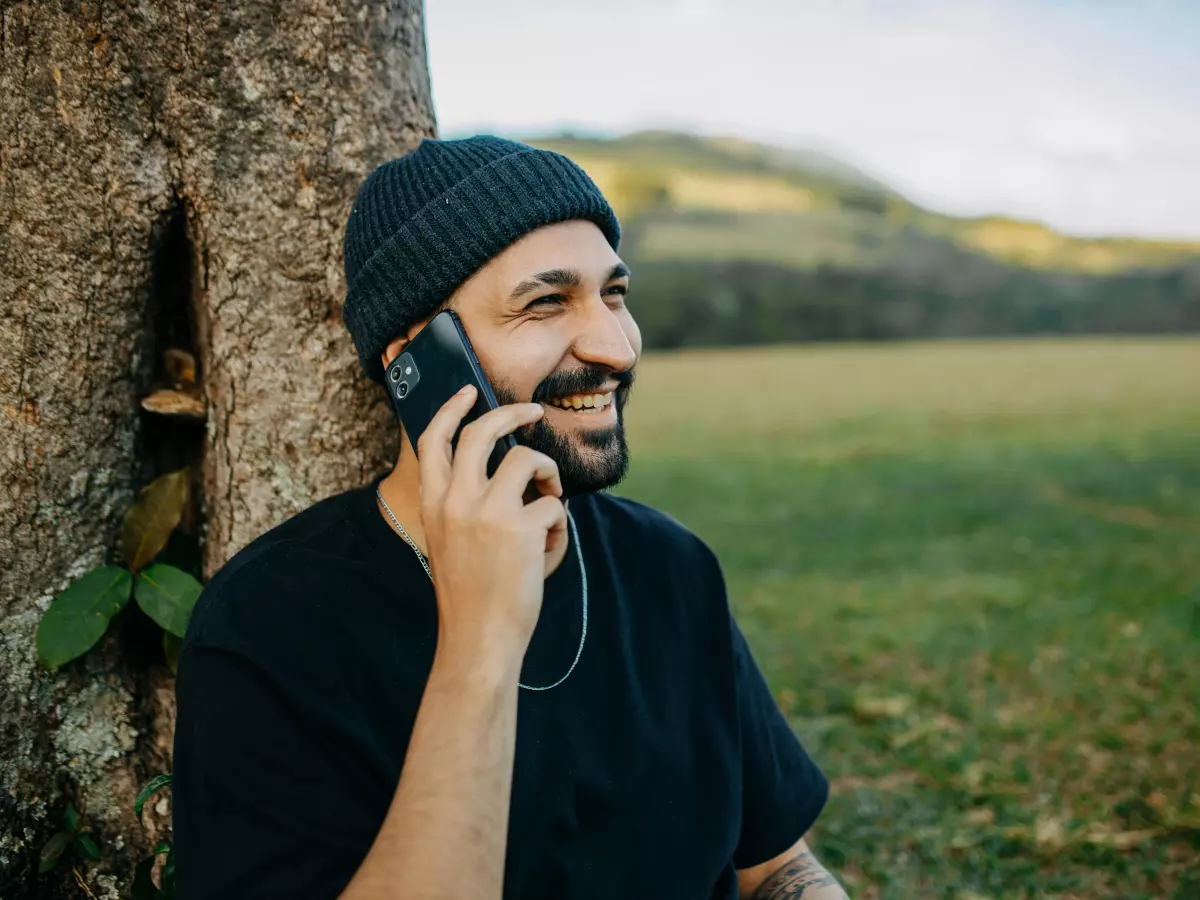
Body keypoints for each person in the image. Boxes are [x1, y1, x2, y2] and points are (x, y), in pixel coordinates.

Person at [172, 136, 844, 900]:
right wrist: (483, 642)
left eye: (615, 294)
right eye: (547, 302)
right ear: (416, 363)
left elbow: (779, 867)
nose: (617, 347)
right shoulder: (269, 626)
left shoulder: (672, 565)